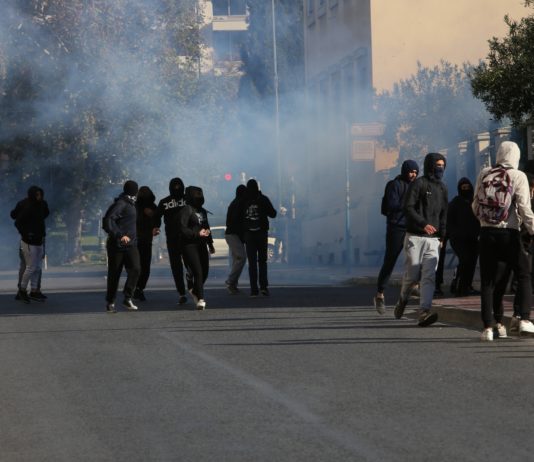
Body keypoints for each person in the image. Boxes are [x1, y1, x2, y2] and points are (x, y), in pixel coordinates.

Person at [473, 141, 534, 340]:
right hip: (509, 233)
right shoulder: (518, 176)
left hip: (486, 234)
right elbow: (524, 209)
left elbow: (475, 205)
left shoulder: (484, 173)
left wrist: (486, 221)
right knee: (523, 273)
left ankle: (488, 327)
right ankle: (524, 319)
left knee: (488, 281)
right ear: (516, 156)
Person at [393, 153, 448, 327]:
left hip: (433, 240)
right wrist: (423, 224)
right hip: (415, 237)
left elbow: (444, 214)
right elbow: (407, 207)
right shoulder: (419, 184)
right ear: (430, 166)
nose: (440, 168)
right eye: (437, 165)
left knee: (429, 277)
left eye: (442, 165)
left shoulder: (443, 188)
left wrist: (442, 237)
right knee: (412, 276)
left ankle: (424, 311)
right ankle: (403, 299)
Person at [374, 160, 419, 314]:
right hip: (396, 227)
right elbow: (391, 205)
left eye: (415, 172)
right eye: (411, 171)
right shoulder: (394, 185)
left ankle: (414, 286)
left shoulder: (416, 186)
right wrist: (408, 207)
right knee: (390, 260)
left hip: (412, 227)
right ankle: (380, 294)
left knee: (415, 258)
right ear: (405, 171)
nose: (413, 175)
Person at [103, 180, 141, 313]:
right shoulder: (121, 203)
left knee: (136, 269)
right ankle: (110, 302)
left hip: (131, 245)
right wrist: (120, 235)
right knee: (114, 274)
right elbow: (108, 220)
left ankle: (127, 297)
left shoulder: (132, 203)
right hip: (117, 246)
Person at [10, 185, 50, 303]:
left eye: (40, 194)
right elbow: (16, 219)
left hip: (39, 239)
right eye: (37, 195)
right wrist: (27, 233)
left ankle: (34, 290)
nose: (39, 197)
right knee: (29, 266)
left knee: (36, 267)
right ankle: (22, 290)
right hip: (28, 240)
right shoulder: (26, 206)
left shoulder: (42, 204)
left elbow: (45, 214)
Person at [179, 186, 215, 310]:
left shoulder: (203, 211)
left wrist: (210, 243)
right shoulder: (186, 210)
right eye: (196, 195)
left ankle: (195, 288)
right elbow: (182, 228)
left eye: (201, 195)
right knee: (198, 272)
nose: (199, 198)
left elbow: (206, 227)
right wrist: (196, 234)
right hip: (189, 245)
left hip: (201, 244)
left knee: (205, 271)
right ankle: (200, 299)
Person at [153, 178, 188, 306]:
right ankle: (183, 291)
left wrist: (156, 226)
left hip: (182, 237)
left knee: (182, 265)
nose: (177, 189)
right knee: (179, 265)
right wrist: (156, 226)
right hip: (179, 238)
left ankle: (184, 290)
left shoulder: (166, 201)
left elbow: (156, 216)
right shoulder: (184, 199)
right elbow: (157, 216)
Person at [242, 179, 277, 297]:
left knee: (252, 263)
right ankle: (263, 287)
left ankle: (254, 290)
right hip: (261, 233)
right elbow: (273, 214)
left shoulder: (244, 200)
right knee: (262, 261)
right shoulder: (263, 199)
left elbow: (239, 217)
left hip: (249, 234)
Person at [447, 177, 480, 296]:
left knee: (471, 262)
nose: (465, 189)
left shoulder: (475, 202)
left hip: (473, 238)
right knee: (464, 260)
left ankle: (467, 286)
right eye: (463, 187)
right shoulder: (455, 202)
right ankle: (459, 286)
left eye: (467, 187)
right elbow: (449, 221)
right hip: (459, 239)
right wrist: (453, 234)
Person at [134, 186, 158, 302]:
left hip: (145, 240)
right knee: (139, 267)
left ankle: (139, 288)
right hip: (137, 240)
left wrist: (153, 217)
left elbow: (157, 220)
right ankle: (137, 288)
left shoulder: (152, 207)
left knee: (144, 267)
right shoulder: (135, 206)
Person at [224, 184, 247, 294]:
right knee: (241, 258)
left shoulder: (234, 203)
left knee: (236, 260)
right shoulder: (240, 203)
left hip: (231, 234)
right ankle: (230, 281)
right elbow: (237, 221)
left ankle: (232, 285)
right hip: (234, 234)